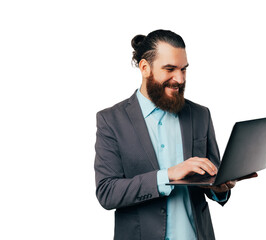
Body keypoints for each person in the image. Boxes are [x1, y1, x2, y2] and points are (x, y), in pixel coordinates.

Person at [94, 29, 257, 240]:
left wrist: (219, 187)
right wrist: (168, 175)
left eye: (184, 69)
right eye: (170, 69)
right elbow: (107, 193)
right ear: (145, 68)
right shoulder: (111, 120)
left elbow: (213, 179)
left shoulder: (200, 115)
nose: (179, 79)